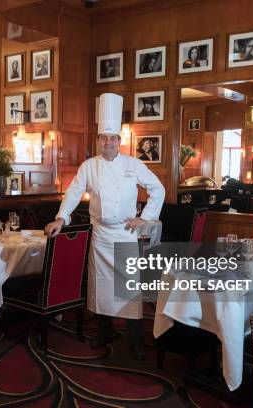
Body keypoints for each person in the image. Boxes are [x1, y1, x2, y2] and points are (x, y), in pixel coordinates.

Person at [44, 93, 165, 361]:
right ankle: (104, 330)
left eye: (113, 138)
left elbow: (158, 189)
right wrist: (61, 218)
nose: (108, 143)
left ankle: (135, 338)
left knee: (129, 288)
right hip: (100, 234)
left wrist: (146, 218)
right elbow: (74, 194)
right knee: (100, 286)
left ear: (120, 141)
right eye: (103, 138)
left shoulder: (133, 164)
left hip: (126, 233)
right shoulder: (88, 166)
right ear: (97, 140)